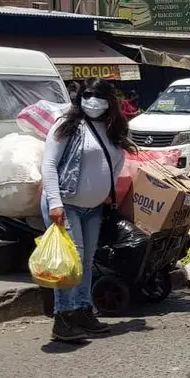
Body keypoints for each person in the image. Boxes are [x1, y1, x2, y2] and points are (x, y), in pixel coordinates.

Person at [40, 78, 135, 343]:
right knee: (71, 263)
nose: (92, 101)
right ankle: (63, 318)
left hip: (93, 209)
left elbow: (116, 163)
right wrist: (55, 203)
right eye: (88, 95)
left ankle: (82, 310)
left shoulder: (112, 129)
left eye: (98, 96)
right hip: (66, 205)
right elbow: (48, 165)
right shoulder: (67, 126)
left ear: (109, 100)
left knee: (86, 262)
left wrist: (106, 193)